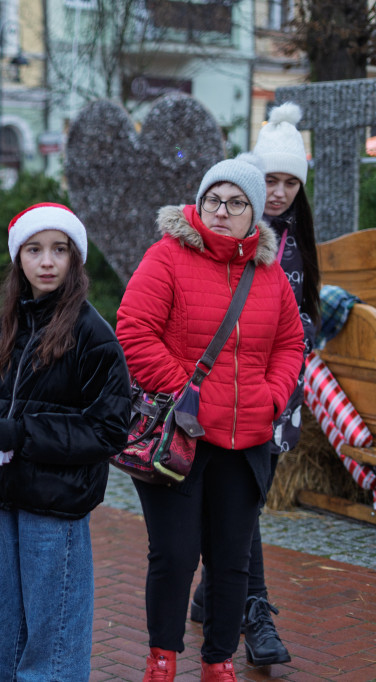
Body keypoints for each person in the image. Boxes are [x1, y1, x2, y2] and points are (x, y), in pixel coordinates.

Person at [116, 153, 304, 682]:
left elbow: (292, 343)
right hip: (182, 435)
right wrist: (187, 395)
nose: (222, 211)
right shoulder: (167, 256)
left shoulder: (266, 272)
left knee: (232, 560)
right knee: (175, 555)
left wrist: (271, 397)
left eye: (236, 202)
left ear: (254, 213)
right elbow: (133, 331)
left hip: (246, 442)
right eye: (213, 200)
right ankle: (162, 657)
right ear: (199, 205)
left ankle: (218, 659)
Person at [0, 203, 132, 682]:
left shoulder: (94, 335)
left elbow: (108, 431)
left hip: (56, 503)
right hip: (4, 495)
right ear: (18, 259)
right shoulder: (7, 325)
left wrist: (23, 434)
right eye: (34, 250)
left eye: (59, 250)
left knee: (55, 632)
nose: (46, 261)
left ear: (74, 259)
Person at [188, 102, 319, 667]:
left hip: (275, 394)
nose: (282, 192)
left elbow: (302, 314)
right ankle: (253, 611)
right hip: (227, 397)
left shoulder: (296, 236)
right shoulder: (237, 231)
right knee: (243, 502)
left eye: (292, 181)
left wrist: (281, 381)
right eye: (272, 179)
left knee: (244, 502)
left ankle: (214, 588)